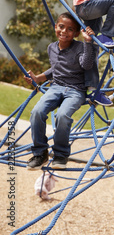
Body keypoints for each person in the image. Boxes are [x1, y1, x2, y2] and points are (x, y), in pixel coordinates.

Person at [26, 13, 95, 170]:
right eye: (61, 27)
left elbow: (87, 65)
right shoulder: (51, 47)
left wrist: (88, 42)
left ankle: (61, 154)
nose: (64, 31)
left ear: (76, 33)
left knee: (62, 115)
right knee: (37, 111)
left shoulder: (80, 47)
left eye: (70, 29)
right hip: (56, 87)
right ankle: (40, 153)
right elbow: (54, 69)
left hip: (76, 90)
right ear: (55, 27)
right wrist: (38, 78)